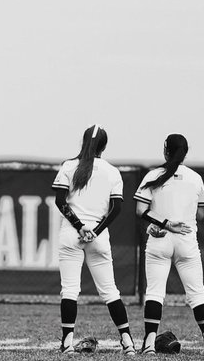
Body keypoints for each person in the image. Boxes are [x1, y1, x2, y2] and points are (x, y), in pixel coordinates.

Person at [52, 124, 137, 355]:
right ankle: (128, 342)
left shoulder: (69, 166)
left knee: (69, 289)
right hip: (98, 237)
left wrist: (80, 226)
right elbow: (116, 208)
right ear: (104, 145)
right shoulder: (111, 171)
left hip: (71, 234)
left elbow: (61, 202)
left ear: (83, 142)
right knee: (110, 291)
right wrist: (95, 231)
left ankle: (67, 343)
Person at [133, 134, 204, 356]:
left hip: (159, 238)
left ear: (165, 151)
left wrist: (162, 222)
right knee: (197, 294)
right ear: (186, 152)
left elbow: (141, 211)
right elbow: (200, 214)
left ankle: (149, 344)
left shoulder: (153, 175)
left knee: (154, 293)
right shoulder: (195, 178)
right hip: (186, 240)